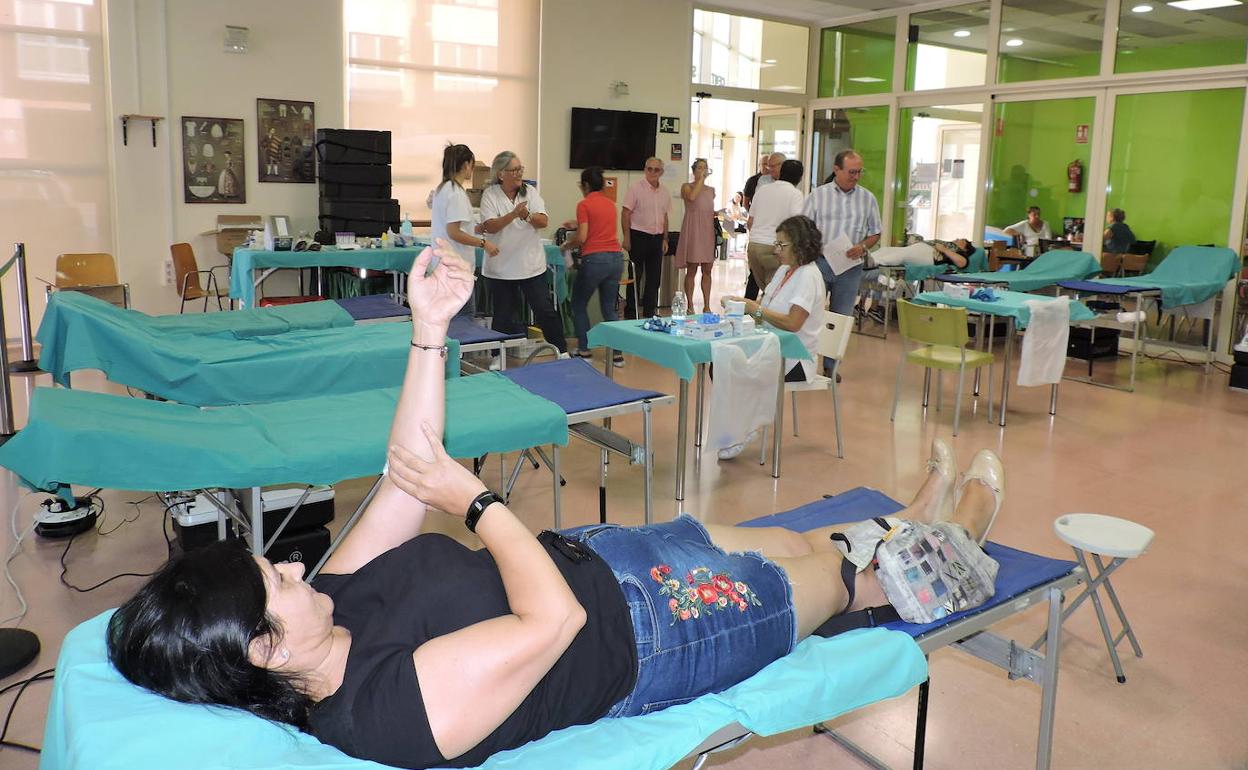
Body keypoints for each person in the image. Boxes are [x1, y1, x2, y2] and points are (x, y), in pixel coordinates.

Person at [107, 240, 1007, 769]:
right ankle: (949, 537)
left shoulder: (334, 610)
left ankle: (913, 512)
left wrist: (427, 331)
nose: (297, 564)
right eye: (278, 579)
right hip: (656, 636)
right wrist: (478, 501)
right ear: (266, 650)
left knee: (788, 535)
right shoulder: (381, 713)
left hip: (607, 556)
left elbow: (408, 466)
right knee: (835, 580)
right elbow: (554, 620)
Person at [478, 151, 567, 357]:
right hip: (501, 267)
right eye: (514, 170)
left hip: (530, 266)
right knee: (502, 315)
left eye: (520, 169)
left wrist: (526, 215)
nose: (519, 173)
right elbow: (490, 226)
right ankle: (496, 357)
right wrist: (513, 214)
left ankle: (562, 352)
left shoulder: (531, 193)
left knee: (545, 311)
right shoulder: (490, 195)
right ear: (501, 174)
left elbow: (544, 221)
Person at [724, 215, 827, 384]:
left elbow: (793, 323)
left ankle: (753, 410)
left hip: (794, 360)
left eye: (781, 245)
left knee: (729, 367)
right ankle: (747, 410)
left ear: (800, 246)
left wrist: (754, 309)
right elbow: (766, 306)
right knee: (722, 360)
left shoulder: (809, 276)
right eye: (776, 244)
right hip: (771, 347)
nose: (776, 250)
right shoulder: (785, 270)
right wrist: (740, 304)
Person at [803, 150, 881, 368]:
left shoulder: (867, 198)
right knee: (810, 314)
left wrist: (863, 246)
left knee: (841, 318)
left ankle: (831, 367)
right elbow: (803, 227)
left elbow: (876, 231)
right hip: (819, 263)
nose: (855, 176)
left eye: (859, 172)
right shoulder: (818, 195)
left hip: (850, 267)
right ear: (836, 170)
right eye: (851, 172)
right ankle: (805, 365)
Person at [561, 166, 625, 365]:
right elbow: (600, 228)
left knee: (579, 304)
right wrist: (577, 224)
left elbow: (582, 237)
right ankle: (617, 355)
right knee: (609, 308)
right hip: (616, 259)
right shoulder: (610, 204)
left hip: (595, 261)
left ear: (586, 185)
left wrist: (566, 245)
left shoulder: (584, 205)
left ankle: (584, 350)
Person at [432, 143, 498, 317]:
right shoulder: (456, 194)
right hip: (455, 271)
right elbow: (454, 232)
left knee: (448, 322)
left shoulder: (443, 189)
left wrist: (474, 228)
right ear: (467, 164)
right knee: (463, 323)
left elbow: (456, 227)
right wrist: (484, 243)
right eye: (472, 166)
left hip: (444, 267)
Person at [620, 158, 670, 319]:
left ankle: (650, 312)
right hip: (638, 237)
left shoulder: (664, 192)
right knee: (635, 277)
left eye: (656, 170)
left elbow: (665, 216)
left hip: (657, 239)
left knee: (654, 279)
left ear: (661, 172)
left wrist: (665, 239)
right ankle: (631, 312)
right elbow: (625, 213)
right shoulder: (635, 189)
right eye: (650, 169)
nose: (652, 173)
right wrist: (626, 238)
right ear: (645, 170)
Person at [746, 159, 805, 293]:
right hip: (775, 248)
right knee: (774, 293)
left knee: (767, 290)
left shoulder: (762, 190)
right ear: (800, 177)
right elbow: (797, 224)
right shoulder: (795, 194)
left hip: (754, 246)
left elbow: (750, 221)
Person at [675, 158, 717, 313]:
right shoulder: (686, 187)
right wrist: (699, 180)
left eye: (705, 168)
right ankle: (690, 305)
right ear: (694, 171)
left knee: (707, 269)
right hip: (693, 229)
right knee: (692, 269)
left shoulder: (711, 190)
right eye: (699, 168)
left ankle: (707, 305)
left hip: (707, 230)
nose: (703, 170)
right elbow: (692, 198)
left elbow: (707, 208)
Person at [870, 239, 974, 269]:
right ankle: (867, 259)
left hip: (929, 256)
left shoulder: (962, 255)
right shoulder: (951, 246)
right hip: (923, 249)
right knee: (887, 249)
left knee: (902, 256)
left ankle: (874, 262)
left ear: (964, 249)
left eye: (961, 240)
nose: (958, 239)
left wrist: (944, 250)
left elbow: (962, 263)